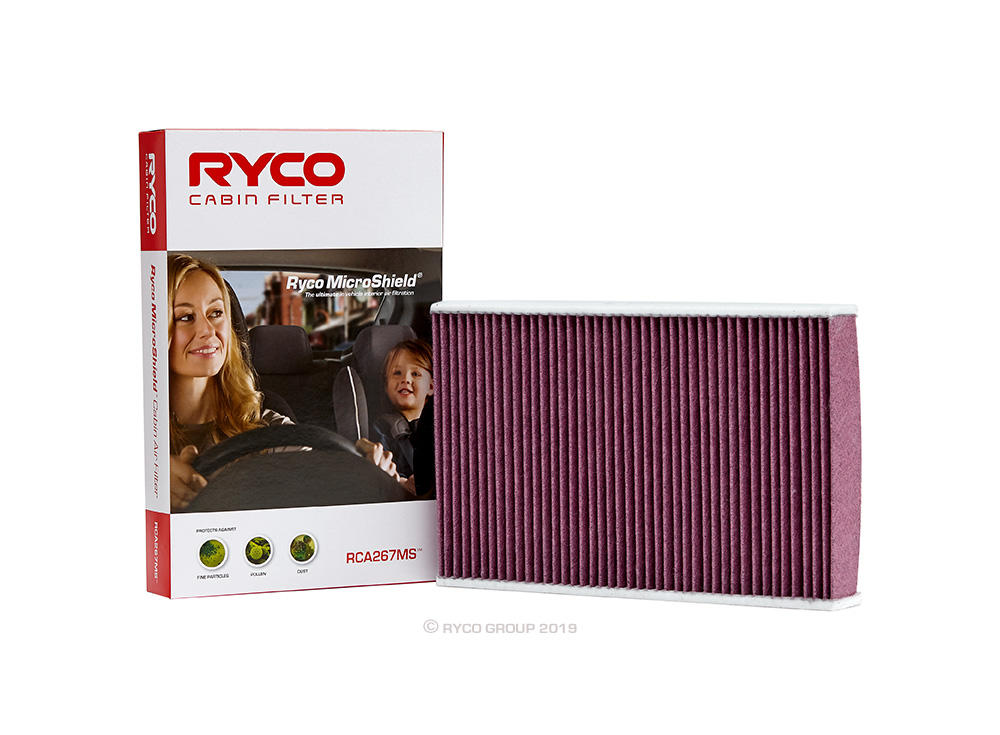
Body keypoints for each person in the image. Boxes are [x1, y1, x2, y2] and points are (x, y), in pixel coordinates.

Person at [167, 254, 397, 510]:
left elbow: (321, 477)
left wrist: (366, 473)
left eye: (216, 313)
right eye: (185, 317)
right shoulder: (142, 445)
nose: (208, 330)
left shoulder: (264, 423)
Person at [370, 338, 434, 496]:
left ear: (431, 386)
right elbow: (384, 467)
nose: (405, 379)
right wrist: (401, 482)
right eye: (397, 373)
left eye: (415, 374)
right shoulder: (382, 429)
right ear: (386, 386)